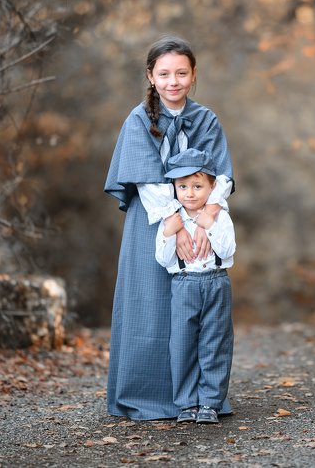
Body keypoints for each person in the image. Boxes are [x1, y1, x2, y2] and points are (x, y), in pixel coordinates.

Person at [103, 36, 234, 420]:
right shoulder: (139, 120)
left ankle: (200, 399)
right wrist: (174, 224)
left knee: (198, 315)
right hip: (152, 222)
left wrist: (206, 214)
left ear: (194, 75)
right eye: (164, 73)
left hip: (201, 220)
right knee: (150, 305)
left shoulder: (206, 119)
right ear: (150, 76)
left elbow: (221, 173)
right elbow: (144, 179)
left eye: (181, 72)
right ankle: (147, 395)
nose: (172, 81)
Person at [155, 148, 235, 424]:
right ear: (174, 188)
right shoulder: (172, 220)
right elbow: (163, 260)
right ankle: (187, 403)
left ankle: (211, 403)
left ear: (212, 187)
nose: (189, 193)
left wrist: (209, 224)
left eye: (198, 186)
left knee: (215, 342)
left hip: (215, 283)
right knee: (182, 344)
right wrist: (169, 232)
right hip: (184, 284)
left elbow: (227, 250)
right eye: (183, 186)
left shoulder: (219, 216)